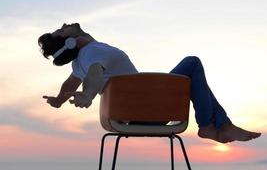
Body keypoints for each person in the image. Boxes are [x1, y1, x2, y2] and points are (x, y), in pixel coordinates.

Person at [38, 23, 261, 144]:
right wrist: (87, 96)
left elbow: (70, 83)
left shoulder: (80, 60)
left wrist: (59, 100)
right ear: (68, 41)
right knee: (192, 64)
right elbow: (95, 74)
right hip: (151, 112)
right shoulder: (92, 52)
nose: (65, 24)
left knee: (192, 70)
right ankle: (210, 125)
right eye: (61, 30)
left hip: (132, 116)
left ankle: (219, 125)